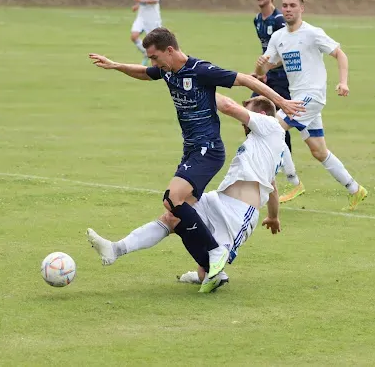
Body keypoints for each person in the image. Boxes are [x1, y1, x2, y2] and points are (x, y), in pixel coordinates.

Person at [89, 27, 303, 282]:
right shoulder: (167, 71)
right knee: (173, 218)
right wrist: (116, 66)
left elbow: (244, 82)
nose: (153, 63)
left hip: (208, 150)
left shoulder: (201, 71)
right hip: (198, 160)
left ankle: (214, 253)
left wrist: (282, 102)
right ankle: (117, 250)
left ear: (169, 51)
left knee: (172, 198)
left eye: (155, 57)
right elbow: (145, 73)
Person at [87, 94, 285, 293]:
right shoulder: (264, 143)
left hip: (238, 213)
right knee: (172, 216)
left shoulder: (270, 125)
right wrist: (274, 216)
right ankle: (115, 250)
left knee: (205, 273)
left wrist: (195, 86)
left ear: (261, 114)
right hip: (218, 200)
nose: (244, 119)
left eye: (248, 108)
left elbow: (228, 106)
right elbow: (272, 184)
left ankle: (212, 271)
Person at [256, 0, 367, 211]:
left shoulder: (312, 33)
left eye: (293, 6)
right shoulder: (278, 37)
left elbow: (340, 54)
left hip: (313, 96)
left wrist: (343, 82)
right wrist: (259, 67)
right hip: (298, 98)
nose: (288, 10)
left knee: (272, 128)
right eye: (285, 6)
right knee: (319, 151)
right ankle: (355, 189)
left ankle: (294, 182)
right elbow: (265, 69)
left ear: (302, 9)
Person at [252, 0, 304, 203]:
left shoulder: (280, 19)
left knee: (277, 126)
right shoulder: (257, 20)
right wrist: (260, 71)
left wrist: (268, 67)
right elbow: (267, 52)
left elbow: (287, 50)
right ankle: (269, 167)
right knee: (252, 115)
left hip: (282, 80)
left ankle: (282, 173)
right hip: (268, 76)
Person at [131, 0, 162, 66]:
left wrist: (141, 1)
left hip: (152, 18)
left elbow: (156, 0)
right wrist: (137, 5)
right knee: (134, 36)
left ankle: (158, 64)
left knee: (155, 43)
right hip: (141, 16)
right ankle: (146, 53)